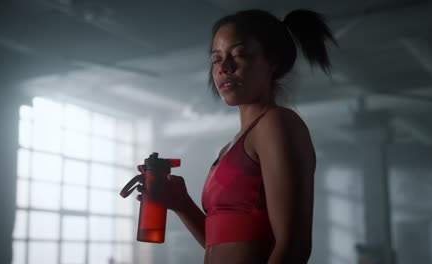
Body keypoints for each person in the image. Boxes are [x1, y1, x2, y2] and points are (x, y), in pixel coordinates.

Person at [133, 9, 337, 264]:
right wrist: (182, 203)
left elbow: (294, 247)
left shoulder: (276, 124)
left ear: (273, 62)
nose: (224, 68)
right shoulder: (228, 149)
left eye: (238, 55)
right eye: (216, 60)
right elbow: (221, 242)